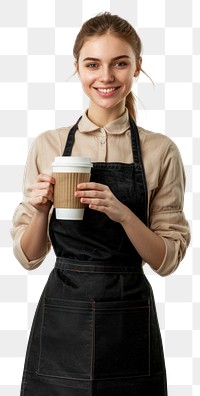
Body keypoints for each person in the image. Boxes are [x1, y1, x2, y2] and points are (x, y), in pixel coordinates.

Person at [11, 12, 190, 396]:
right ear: (77, 68)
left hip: (128, 319)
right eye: (92, 64)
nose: (105, 77)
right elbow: (28, 257)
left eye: (119, 63)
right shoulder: (49, 144)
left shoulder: (161, 151)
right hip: (62, 316)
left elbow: (166, 260)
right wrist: (42, 210)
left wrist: (123, 214)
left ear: (137, 67)